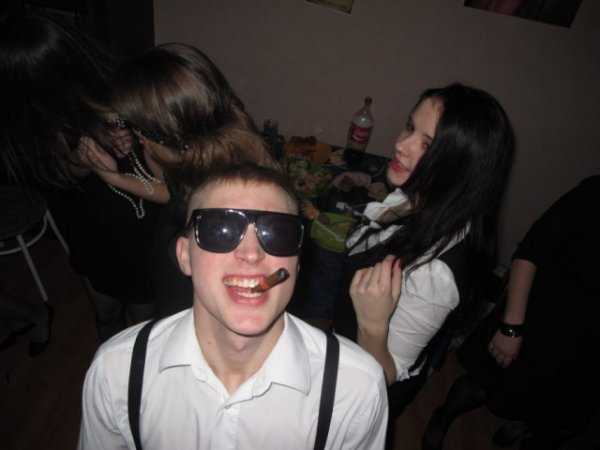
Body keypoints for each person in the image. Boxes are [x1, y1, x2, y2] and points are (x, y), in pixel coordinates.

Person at [78, 163, 388, 450]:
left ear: (296, 263)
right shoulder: (116, 372)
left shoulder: (355, 390)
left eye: (277, 232)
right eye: (220, 229)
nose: (251, 254)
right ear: (184, 256)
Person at [332, 83, 514, 419]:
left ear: (462, 167)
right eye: (410, 127)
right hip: (341, 347)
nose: (401, 145)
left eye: (427, 145)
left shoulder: (436, 273)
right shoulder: (420, 197)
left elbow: (385, 376)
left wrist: (373, 324)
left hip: (361, 391)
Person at [0, 9, 159, 342]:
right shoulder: (22, 120)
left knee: (142, 319)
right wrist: (88, 162)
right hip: (85, 223)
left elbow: (159, 157)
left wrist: (129, 134)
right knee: (105, 310)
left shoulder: (109, 77)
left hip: (135, 220)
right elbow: (51, 175)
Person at [423, 175, 600, 450]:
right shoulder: (594, 194)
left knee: (557, 410)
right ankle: (442, 418)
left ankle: (523, 424)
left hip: (586, 353)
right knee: (483, 381)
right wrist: (511, 327)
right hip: (540, 320)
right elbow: (532, 250)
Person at [105, 43, 278, 318]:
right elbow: (172, 191)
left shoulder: (215, 222)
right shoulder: (209, 155)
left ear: (171, 138)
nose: (139, 139)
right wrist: (115, 176)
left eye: (140, 132)